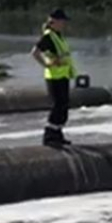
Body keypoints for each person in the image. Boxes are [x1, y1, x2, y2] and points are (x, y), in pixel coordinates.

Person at [31, 8, 77, 146]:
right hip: (54, 77)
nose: (64, 24)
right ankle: (49, 135)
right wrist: (47, 64)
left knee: (63, 107)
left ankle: (57, 134)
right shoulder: (48, 36)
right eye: (62, 21)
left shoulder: (58, 36)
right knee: (58, 107)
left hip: (62, 76)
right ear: (54, 22)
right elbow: (35, 52)